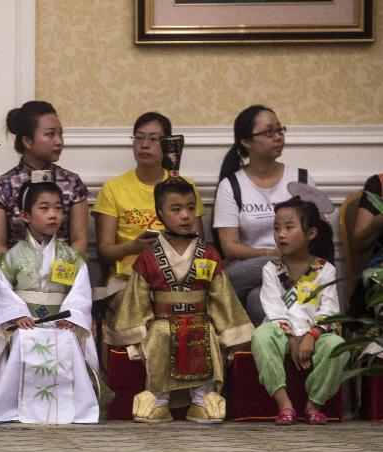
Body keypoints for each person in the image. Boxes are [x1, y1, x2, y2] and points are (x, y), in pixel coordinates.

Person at [110, 180, 253, 424]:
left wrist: (230, 333)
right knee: (159, 335)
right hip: (162, 321)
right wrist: (136, 331)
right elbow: (138, 298)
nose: (185, 215)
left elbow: (221, 296)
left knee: (205, 333)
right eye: (176, 209)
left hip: (200, 319)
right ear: (160, 214)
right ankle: (159, 400)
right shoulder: (148, 256)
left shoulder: (208, 253)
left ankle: (201, 400)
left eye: (190, 207)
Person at [0, 182, 102, 424]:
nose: (53, 215)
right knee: (24, 338)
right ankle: (14, 405)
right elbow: (3, 291)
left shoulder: (70, 257)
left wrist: (72, 316)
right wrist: (17, 315)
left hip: (61, 323)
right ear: (26, 216)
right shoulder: (12, 257)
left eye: (58, 208)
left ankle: (72, 406)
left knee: (67, 340)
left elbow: (80, 292)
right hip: (25, 323)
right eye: (44, 208)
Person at [213, 104, 314, 325]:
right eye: (269, 132)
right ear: (246, 141)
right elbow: (230, 247)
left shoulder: (301, 179)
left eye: (280, 130)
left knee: (257, 300)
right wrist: (271, 254)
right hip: (246, 268)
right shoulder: (231, 185)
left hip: (297, 265)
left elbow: (317, 234)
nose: (278, 137)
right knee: (227, 280)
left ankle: (274, 355)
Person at [93, 112, 205, 310]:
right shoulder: (113, 188)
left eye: (153, 139)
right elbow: (104, 252)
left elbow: (198, 244)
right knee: (138, 306)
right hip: (127, 278)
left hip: (178, 275)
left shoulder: (184, 187)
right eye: (139, 137)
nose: (144, 144)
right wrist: (134, 246)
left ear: (167, 145)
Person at [251, 197, 345, 425]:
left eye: (289, 227)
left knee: (338, 347)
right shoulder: (272, 269)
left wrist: (312, 336)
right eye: (276, 228)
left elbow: (330, 309)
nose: (280, 234)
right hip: (282, 332)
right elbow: (274, 309)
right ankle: (284, 403)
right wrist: (292, 338)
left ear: (311, 233)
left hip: (315, 333)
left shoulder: (325, 269)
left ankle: (315, 403)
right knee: (261, 337)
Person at [0, 101, 89, 257]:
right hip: (18, 273)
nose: (59, 141)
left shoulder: (72, 183)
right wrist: (25, 277)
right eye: (50, 134)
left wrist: (59, 276)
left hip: (64, 272)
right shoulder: (2, 186)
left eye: (60, 133)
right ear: (27, 141)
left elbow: (79, 241)